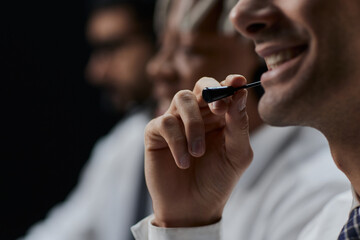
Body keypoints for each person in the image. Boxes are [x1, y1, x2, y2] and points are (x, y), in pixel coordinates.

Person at [131, 0, 360, 239]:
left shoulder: (316, 189)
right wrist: (186, 226)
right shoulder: (327, 227)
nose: (239, 14)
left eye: (191, 50)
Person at [20, 0, 156, 239]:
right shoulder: (120, 146)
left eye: (112, 47)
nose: (96, 72)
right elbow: (61, 231)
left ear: (158, 39)